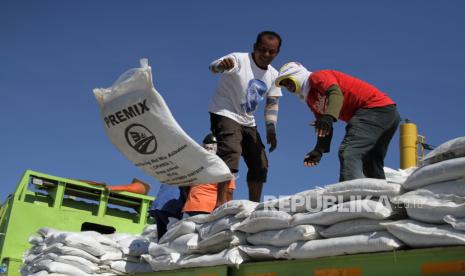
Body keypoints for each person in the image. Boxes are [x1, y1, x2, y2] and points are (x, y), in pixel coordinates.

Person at [275, 62, 400, 181]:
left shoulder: (316, 77)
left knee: (349, 151)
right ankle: (378, 199)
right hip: (387, 113)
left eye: (289, 80)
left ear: (298, 75)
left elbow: (335, 92)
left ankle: (350, 198)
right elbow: (324, 125)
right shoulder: (310, 99)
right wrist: (319, 149)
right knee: (371, 161)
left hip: (375, 109)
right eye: (284, 84)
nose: (288, 86)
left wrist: (329, 116)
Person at [208, 31, 283, 206]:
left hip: (247, 119)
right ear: (255, 47)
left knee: (260, 162)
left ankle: (253, 206)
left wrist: (271, 129)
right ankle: (220, 202)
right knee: (231, 151)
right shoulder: (239, 59)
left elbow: (272, 104)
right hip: (224, 111)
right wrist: (221, 66)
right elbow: (212, 67)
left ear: (277, 53)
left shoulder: (273, 74)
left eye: (271, 52)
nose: (266, 55)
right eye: (262, 50)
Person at [182, 133, 235, 218]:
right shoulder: (224, 167)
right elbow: (229, 192)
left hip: (191, 207)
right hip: (212, 208)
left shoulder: (194, 165)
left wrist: (193, 199)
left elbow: (185, 186)